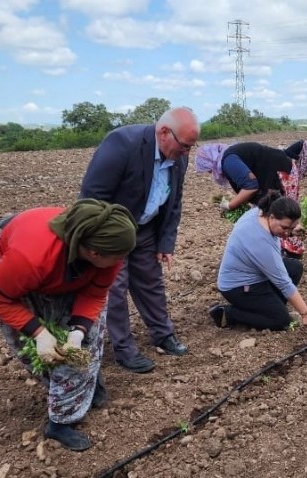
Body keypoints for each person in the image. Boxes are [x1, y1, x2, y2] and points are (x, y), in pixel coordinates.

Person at [0, 199, 138, 451]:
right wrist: (39, 332)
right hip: (16, 275)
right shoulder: (29, 259)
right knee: (48, 352)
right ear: (94, 253)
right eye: (118, 257)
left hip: (64, 269)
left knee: (82, 345)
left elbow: (95, 294)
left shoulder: (111, 250)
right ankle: (60, 423)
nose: (122, 261)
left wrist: (78, 331)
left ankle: (86, 383)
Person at [79, 107, 199, 373]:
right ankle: (124, 349)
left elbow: (174, 201)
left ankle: (163, 334)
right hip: (111, 232)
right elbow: (91, 196)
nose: (187, 153)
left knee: (151, 281)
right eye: (185, 146)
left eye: (192, 147)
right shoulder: (122, 144)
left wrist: (166, 242)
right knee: (115, 290)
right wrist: (99, 242)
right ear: (164, 132)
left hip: (145, 229)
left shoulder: (179, 155)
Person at [209, 192, 307, 333]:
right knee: (281, 321)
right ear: (272, 217)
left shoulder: (261, 211)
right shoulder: (261, 243)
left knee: (295, 267)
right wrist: (306, 313)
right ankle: (228, 314)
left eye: (291, 228)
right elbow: (284, 283)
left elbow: (284, 222)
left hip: (253, 274)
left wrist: (292, 227)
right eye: (285, 228)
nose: (287, 233)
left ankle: (272, 307)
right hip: (237, 287)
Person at [195, 140, 307, 257]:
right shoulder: (230, 157)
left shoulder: (228, 161)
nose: (211, 172)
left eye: (208, 169)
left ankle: (291, 255)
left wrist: (229, 205)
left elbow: (250, 187)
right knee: (270, 219)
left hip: (281, 175)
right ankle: (275, 253)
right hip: (275, 177)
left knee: (283, 217)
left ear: (210, 161)